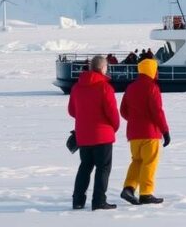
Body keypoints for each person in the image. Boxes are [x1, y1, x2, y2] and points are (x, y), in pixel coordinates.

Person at [68, 55, 120, 210]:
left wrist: (84, 118)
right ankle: (98, 201)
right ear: (103, 68)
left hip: (83, 135)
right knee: (103, 168)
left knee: (85, 166)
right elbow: (112, 114)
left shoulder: (77, 87)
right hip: (103, 135)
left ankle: (77, 200)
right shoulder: (105, 87)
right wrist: (113, 128)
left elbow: (72, 111)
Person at [120, 58, 170, 206]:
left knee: (137, 161)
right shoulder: (152, 87)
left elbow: (123, 111)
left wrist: (134, 120)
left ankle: (129, 187)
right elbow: (157, 111)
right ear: (152, 70)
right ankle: (146, 193)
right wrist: (165, 130)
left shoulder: (130, 87)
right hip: (150, 133)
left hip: (134, 133)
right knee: (149, 162)